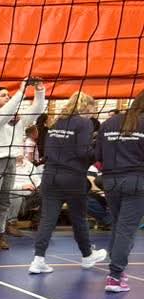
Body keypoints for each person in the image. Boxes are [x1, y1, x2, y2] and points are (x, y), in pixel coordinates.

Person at [29, 92, 107, 274]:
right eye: (93, 109)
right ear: (86, 107)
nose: (93, 114)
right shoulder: (84, 123)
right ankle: (87, 255)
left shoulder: (57, 122)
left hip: (50, 175)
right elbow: (82, 152)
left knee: (47, 219)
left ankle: (38, 260)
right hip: (72, 176)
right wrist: (99, 152)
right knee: (78, 218)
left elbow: (48, 149)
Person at [0, 79, 46, 251]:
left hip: (10, 162)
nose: (7, 97)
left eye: (8, 95)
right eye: (3, 95)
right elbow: (6, 112)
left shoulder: (17, 120)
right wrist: (21, 91)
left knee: (4, 202)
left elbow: (37, 109)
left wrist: (39, 90)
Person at [96, 90, 144, 293]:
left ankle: (117, 270)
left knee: (119, 225)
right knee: (126, 229)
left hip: (110, 181)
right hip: (136, 181)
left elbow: (98, 156)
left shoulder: (109, 122)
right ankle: (115, 276)